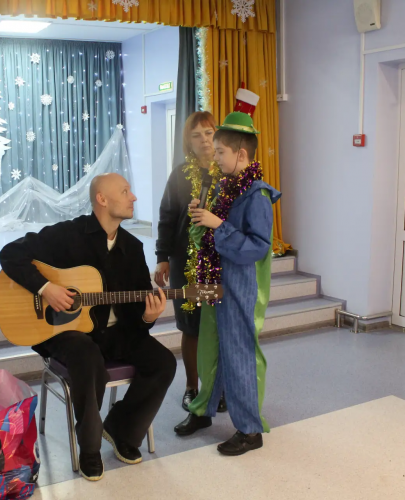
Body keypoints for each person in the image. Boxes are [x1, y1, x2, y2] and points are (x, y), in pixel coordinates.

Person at [0, 173, 176, 482]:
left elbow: (136, 318)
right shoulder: (67, 235)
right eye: (125, 191)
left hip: (116, 334)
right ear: (102, 199)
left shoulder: (132, 248)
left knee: (164, 362)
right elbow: (10, 254)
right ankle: (90, 449)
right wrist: (45, 288)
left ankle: (122, 430)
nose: (134, 197)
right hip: (67, 334)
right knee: (86, 355)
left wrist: (149, 317)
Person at [174, 89, 281, 457]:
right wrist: (199, 218)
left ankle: (249, 430)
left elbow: (257, 247)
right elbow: (206, 237)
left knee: (238, 354)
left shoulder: (258, 196)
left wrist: (218, 224)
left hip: (239, 287)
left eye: (220, 152)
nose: (214, 157)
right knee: (211, 350)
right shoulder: (222, 187)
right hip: (215, 282)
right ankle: (202, 409)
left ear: (241, 155)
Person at [155, 111, 226, 413]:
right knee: (191, 327)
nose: (204, 140)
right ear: (188, 141)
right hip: (186, 262)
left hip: (221, 262)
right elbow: (167, 217)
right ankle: (191, 387)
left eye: (209, 133)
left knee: (220, 327)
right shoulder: (180, 175)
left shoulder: (229, 173)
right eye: (196, 135)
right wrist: (162, 257)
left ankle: (217, 386)